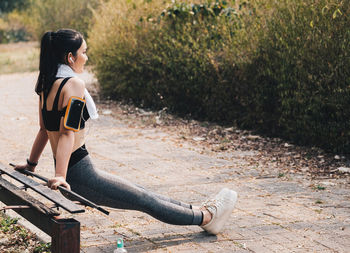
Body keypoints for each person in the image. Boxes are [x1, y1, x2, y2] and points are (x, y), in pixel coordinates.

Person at [14, 28, 237, 235]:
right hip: (79, 177)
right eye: (84, 52)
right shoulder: (73, 85)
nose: (86, 57)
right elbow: (65, 133)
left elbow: (44, 130)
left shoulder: (47, 84)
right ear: (70, 57)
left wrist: (31, 165)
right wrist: (61, 176)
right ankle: (206, 218)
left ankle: (197, 209)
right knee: (143, 200)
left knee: (142, 193)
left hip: (77, 173)